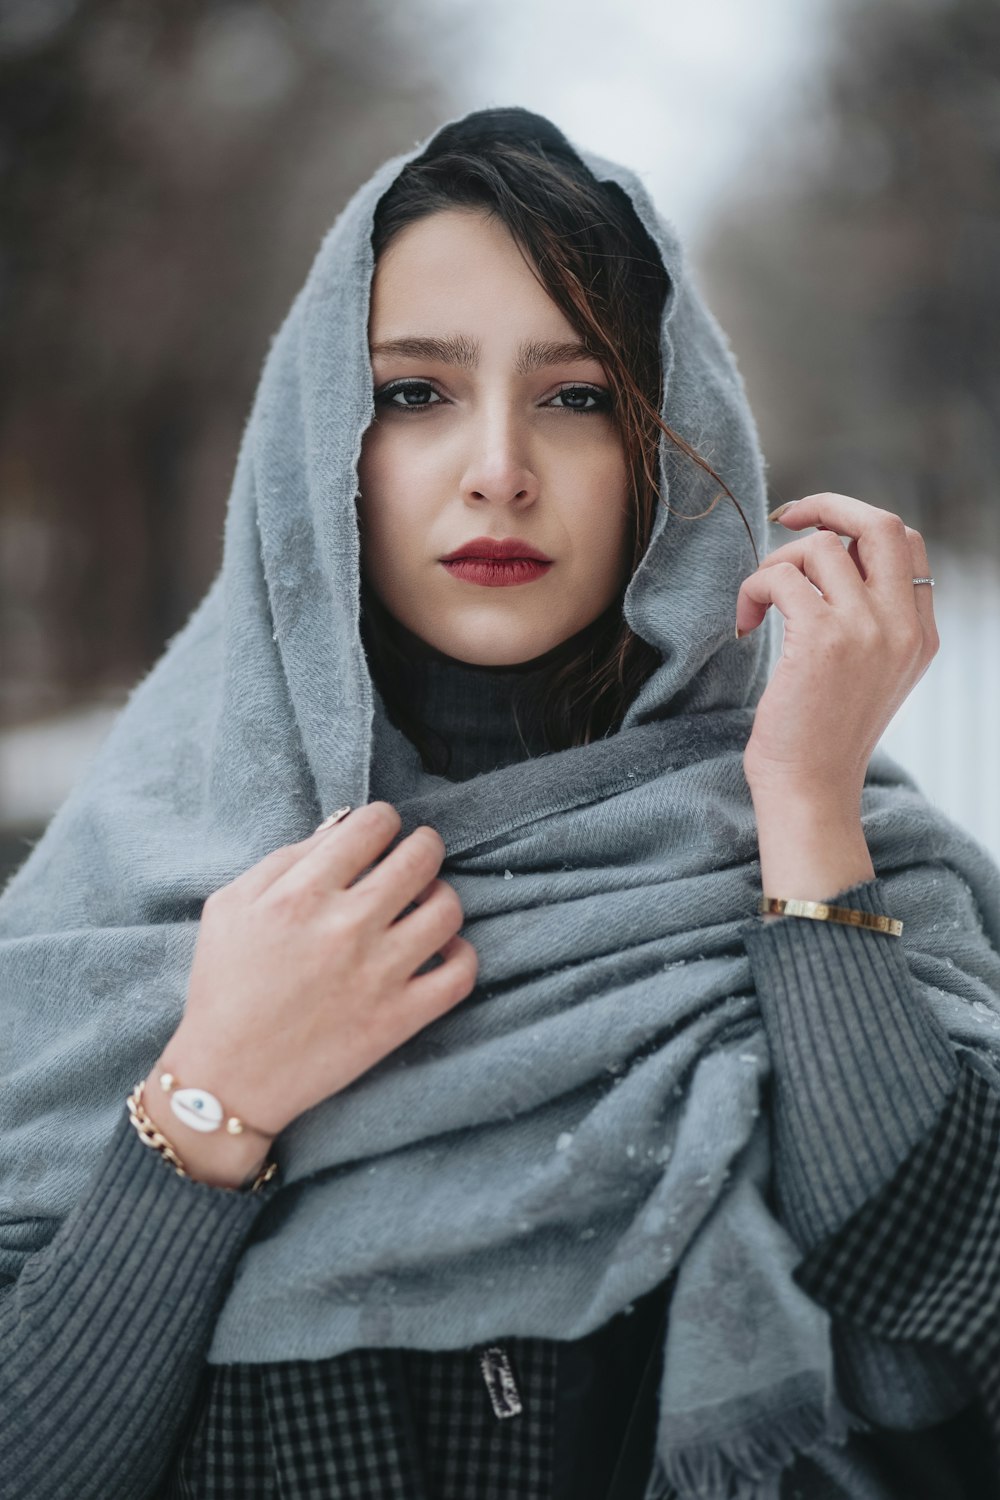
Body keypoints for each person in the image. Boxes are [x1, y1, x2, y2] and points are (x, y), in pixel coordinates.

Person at [1, 106, 999, 1500]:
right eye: (413, 392)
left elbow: (951, 1345)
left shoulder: (827, 831)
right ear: (318, 445)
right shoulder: (146, 871)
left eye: (577, 395)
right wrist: (213, 1094)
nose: (496, 468)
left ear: (664, 446)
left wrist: (806, 830)